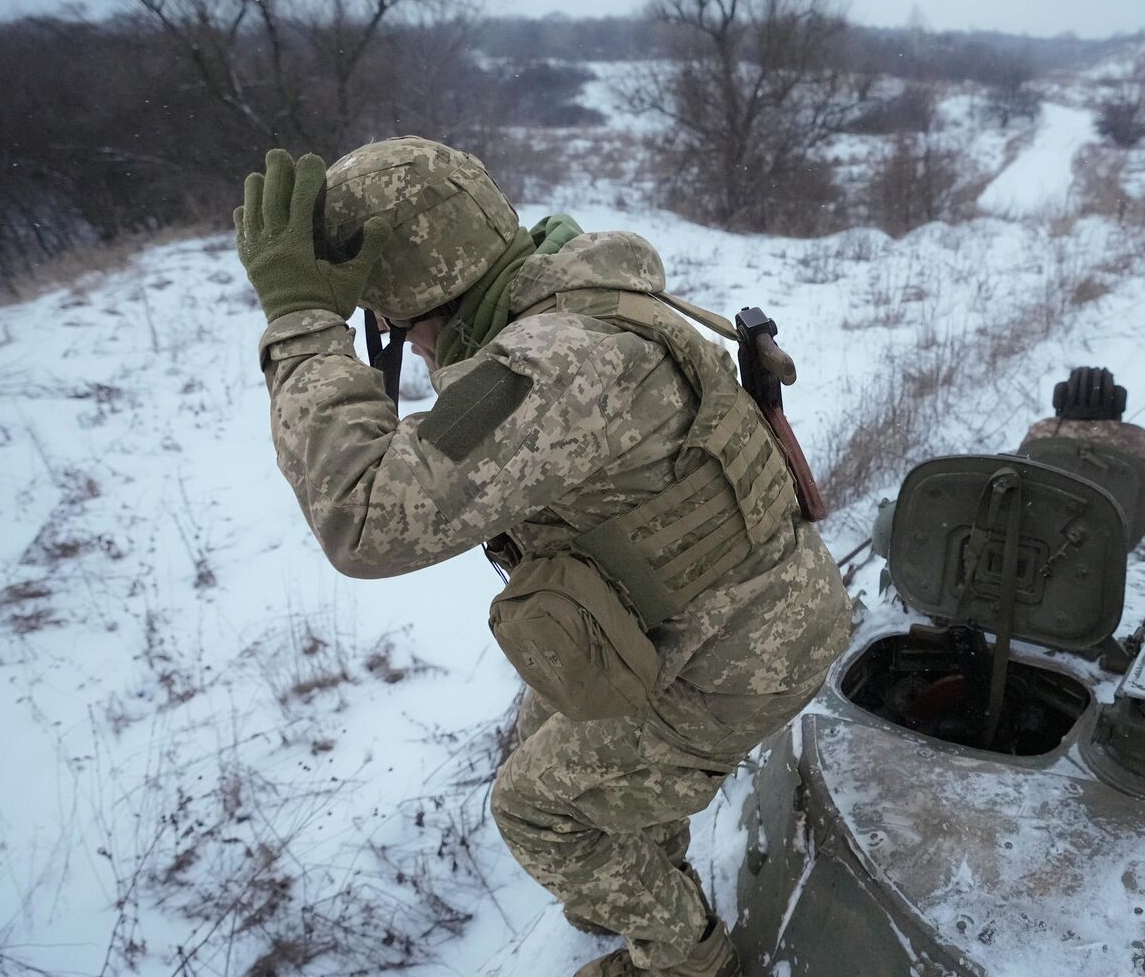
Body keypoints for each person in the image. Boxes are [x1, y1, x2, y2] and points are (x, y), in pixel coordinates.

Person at [231, 137, 849, 977]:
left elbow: (365, 520)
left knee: (535, 812)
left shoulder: (558, 364)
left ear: (431, 295)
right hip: (727, 610)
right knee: (548, 724)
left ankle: (686, 956)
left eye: (399, 326)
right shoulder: (572, 287)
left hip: (741, 653)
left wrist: (304, 323)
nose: (405, 348)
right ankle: (636, 870)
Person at [1022, 366, 1145, 516]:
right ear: (1119, 401)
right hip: (1115, 539)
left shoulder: (1041, 432)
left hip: (1047, 530)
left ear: (1060, 398)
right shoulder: (1141, 440)